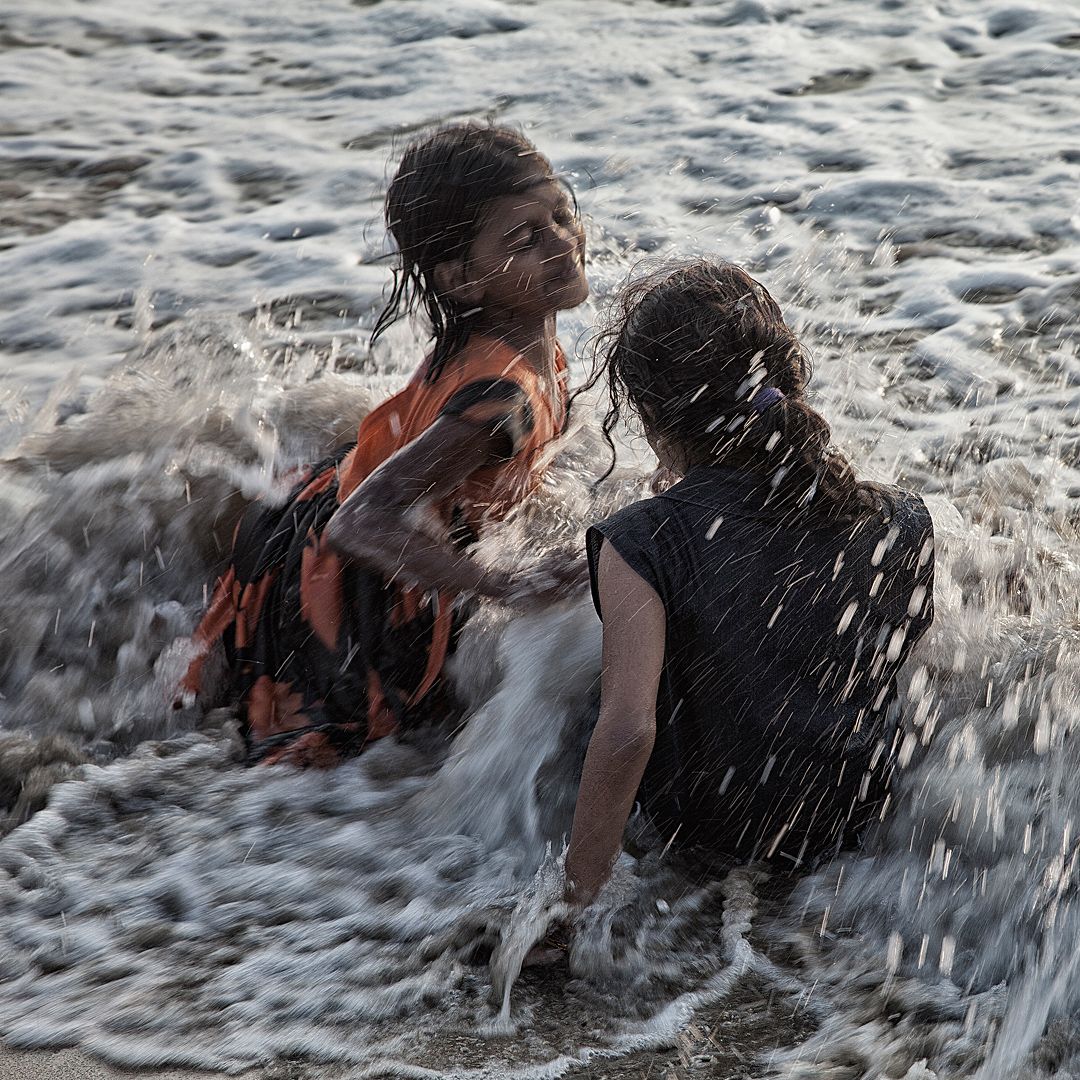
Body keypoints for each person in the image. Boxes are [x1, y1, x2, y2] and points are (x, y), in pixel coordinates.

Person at [180, 123, 589, 767]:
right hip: (349, 586)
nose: (564, 244)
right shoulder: (499, 400)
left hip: (327, 509)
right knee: (351, 760)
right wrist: (505, 586)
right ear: (463, 282)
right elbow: (361, 521)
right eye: (526, 239)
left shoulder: (510, 342)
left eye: (562, 215)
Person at [564, 260, 935, 908]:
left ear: (652, 420)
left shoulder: (641, 540)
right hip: (851, 829)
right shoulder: (902, 517)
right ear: (789, 378)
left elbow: (629, 733)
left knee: (584, 700)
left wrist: (568, 907)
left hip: (713, 833)